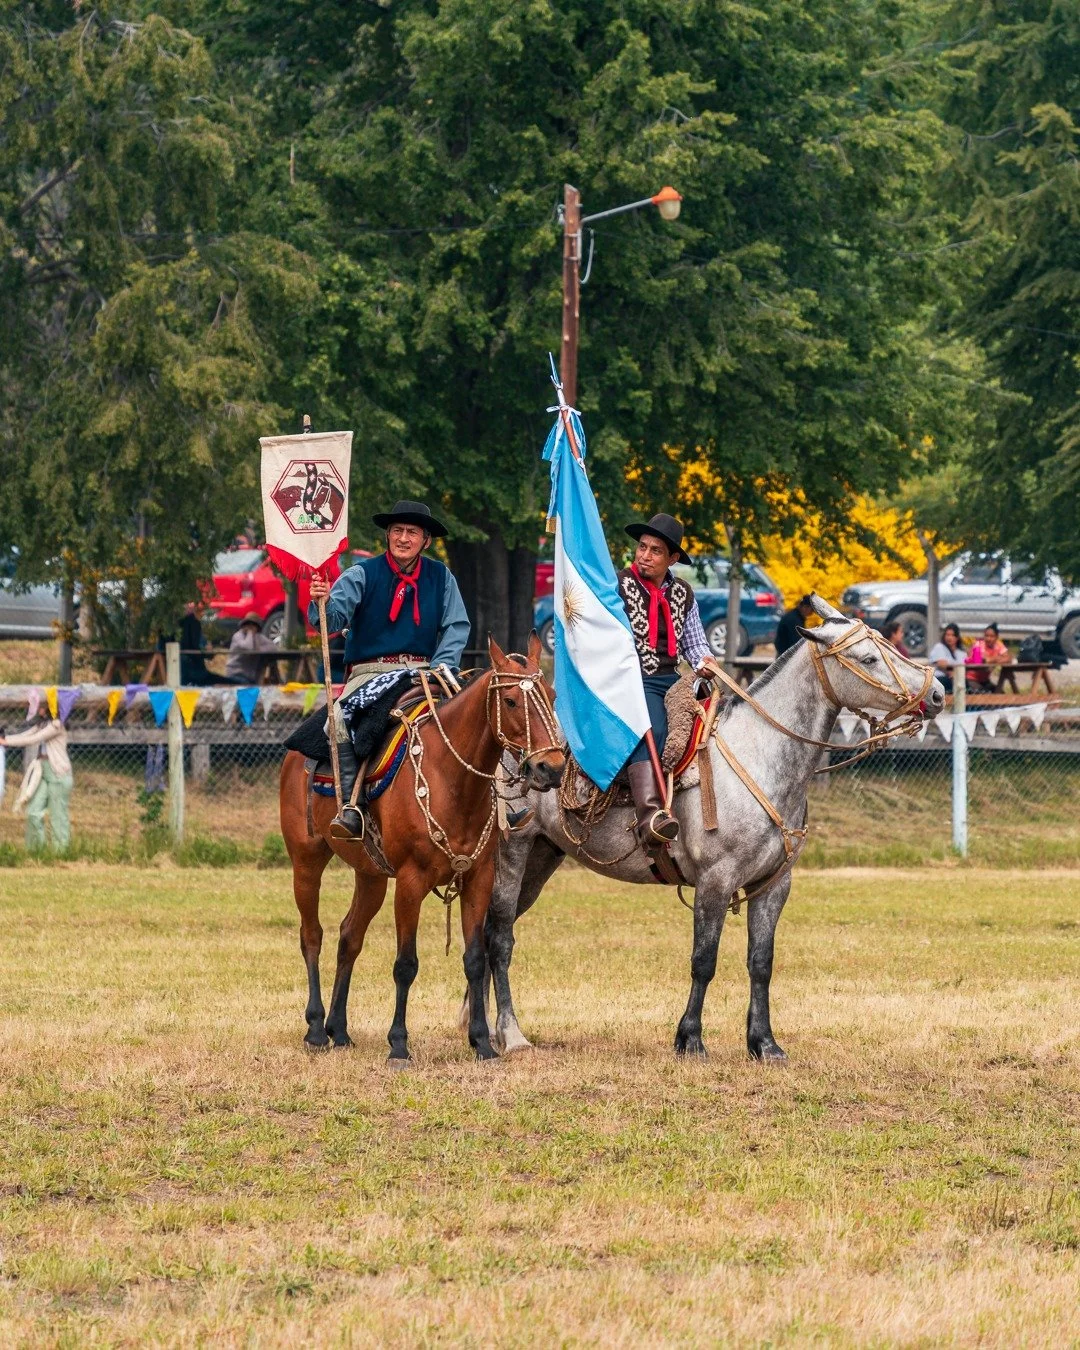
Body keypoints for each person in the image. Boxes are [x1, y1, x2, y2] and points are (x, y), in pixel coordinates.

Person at [308, 500, 470, 838]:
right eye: (397, 530)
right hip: (371, 672)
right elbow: (331, 621)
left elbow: (456, 626)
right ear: (387, 535)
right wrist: (320, 600)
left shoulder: (442, 577)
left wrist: (443, 667)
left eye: (412, 532)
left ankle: (502, 804)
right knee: (339, 720)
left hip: (427, 670)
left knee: (481, 712)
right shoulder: (361, 574)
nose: (404, 538)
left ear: (426, 540)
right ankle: (351, 806)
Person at [616, 512, 714, 848]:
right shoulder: (617, 586)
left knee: (713, 721)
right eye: (642, 547)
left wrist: (706, 663)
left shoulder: (683, 593)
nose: (644, 555)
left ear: (672, 558)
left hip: (671, 679)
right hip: (630, 679)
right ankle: (649, 818)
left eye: (655, 550)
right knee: (654, 729)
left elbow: (694, 643)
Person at [0, 707, 73, 851]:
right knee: (33, 811)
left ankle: (61, 852)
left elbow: (33, 739)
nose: (37, 707)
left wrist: (5, 742)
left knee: (57, 815)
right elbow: (26, 734)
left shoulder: (57, 724)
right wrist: (4, 739)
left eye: (41, 704)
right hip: (42, 771)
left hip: (58, 773)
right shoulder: (42, 724)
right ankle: (37, 850)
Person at [225, 612, 278, 684]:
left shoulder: (258, 637)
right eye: (248, 624)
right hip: (236, 673)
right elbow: (248, 647)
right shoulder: (238, 636)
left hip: (250, 676)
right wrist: (250, 633)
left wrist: (259, 649)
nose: (250, 626)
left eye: (253, 625)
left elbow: (273, 648)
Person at [967, 622, 1016, 693]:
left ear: (996, 637)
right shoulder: (978, 644)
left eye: (992, 636)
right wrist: (996, 658)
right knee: (983, 695)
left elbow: (1008, 658)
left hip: (985, 681)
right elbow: (979, 660)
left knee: (1001, 694)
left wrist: (992, 659)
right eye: (986, 636)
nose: (989, 639)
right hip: (971, 679)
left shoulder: (998, 645)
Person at [927, 622, 966, 693]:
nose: (949, 637)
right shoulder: (939, 647)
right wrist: (952, 673)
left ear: (957, 638)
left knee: (965, 682)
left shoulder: (961, 653)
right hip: (940, 678)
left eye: (952, 635)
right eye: (947, 635)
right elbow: (942, 664)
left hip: (956, 679)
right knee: (947, 681)